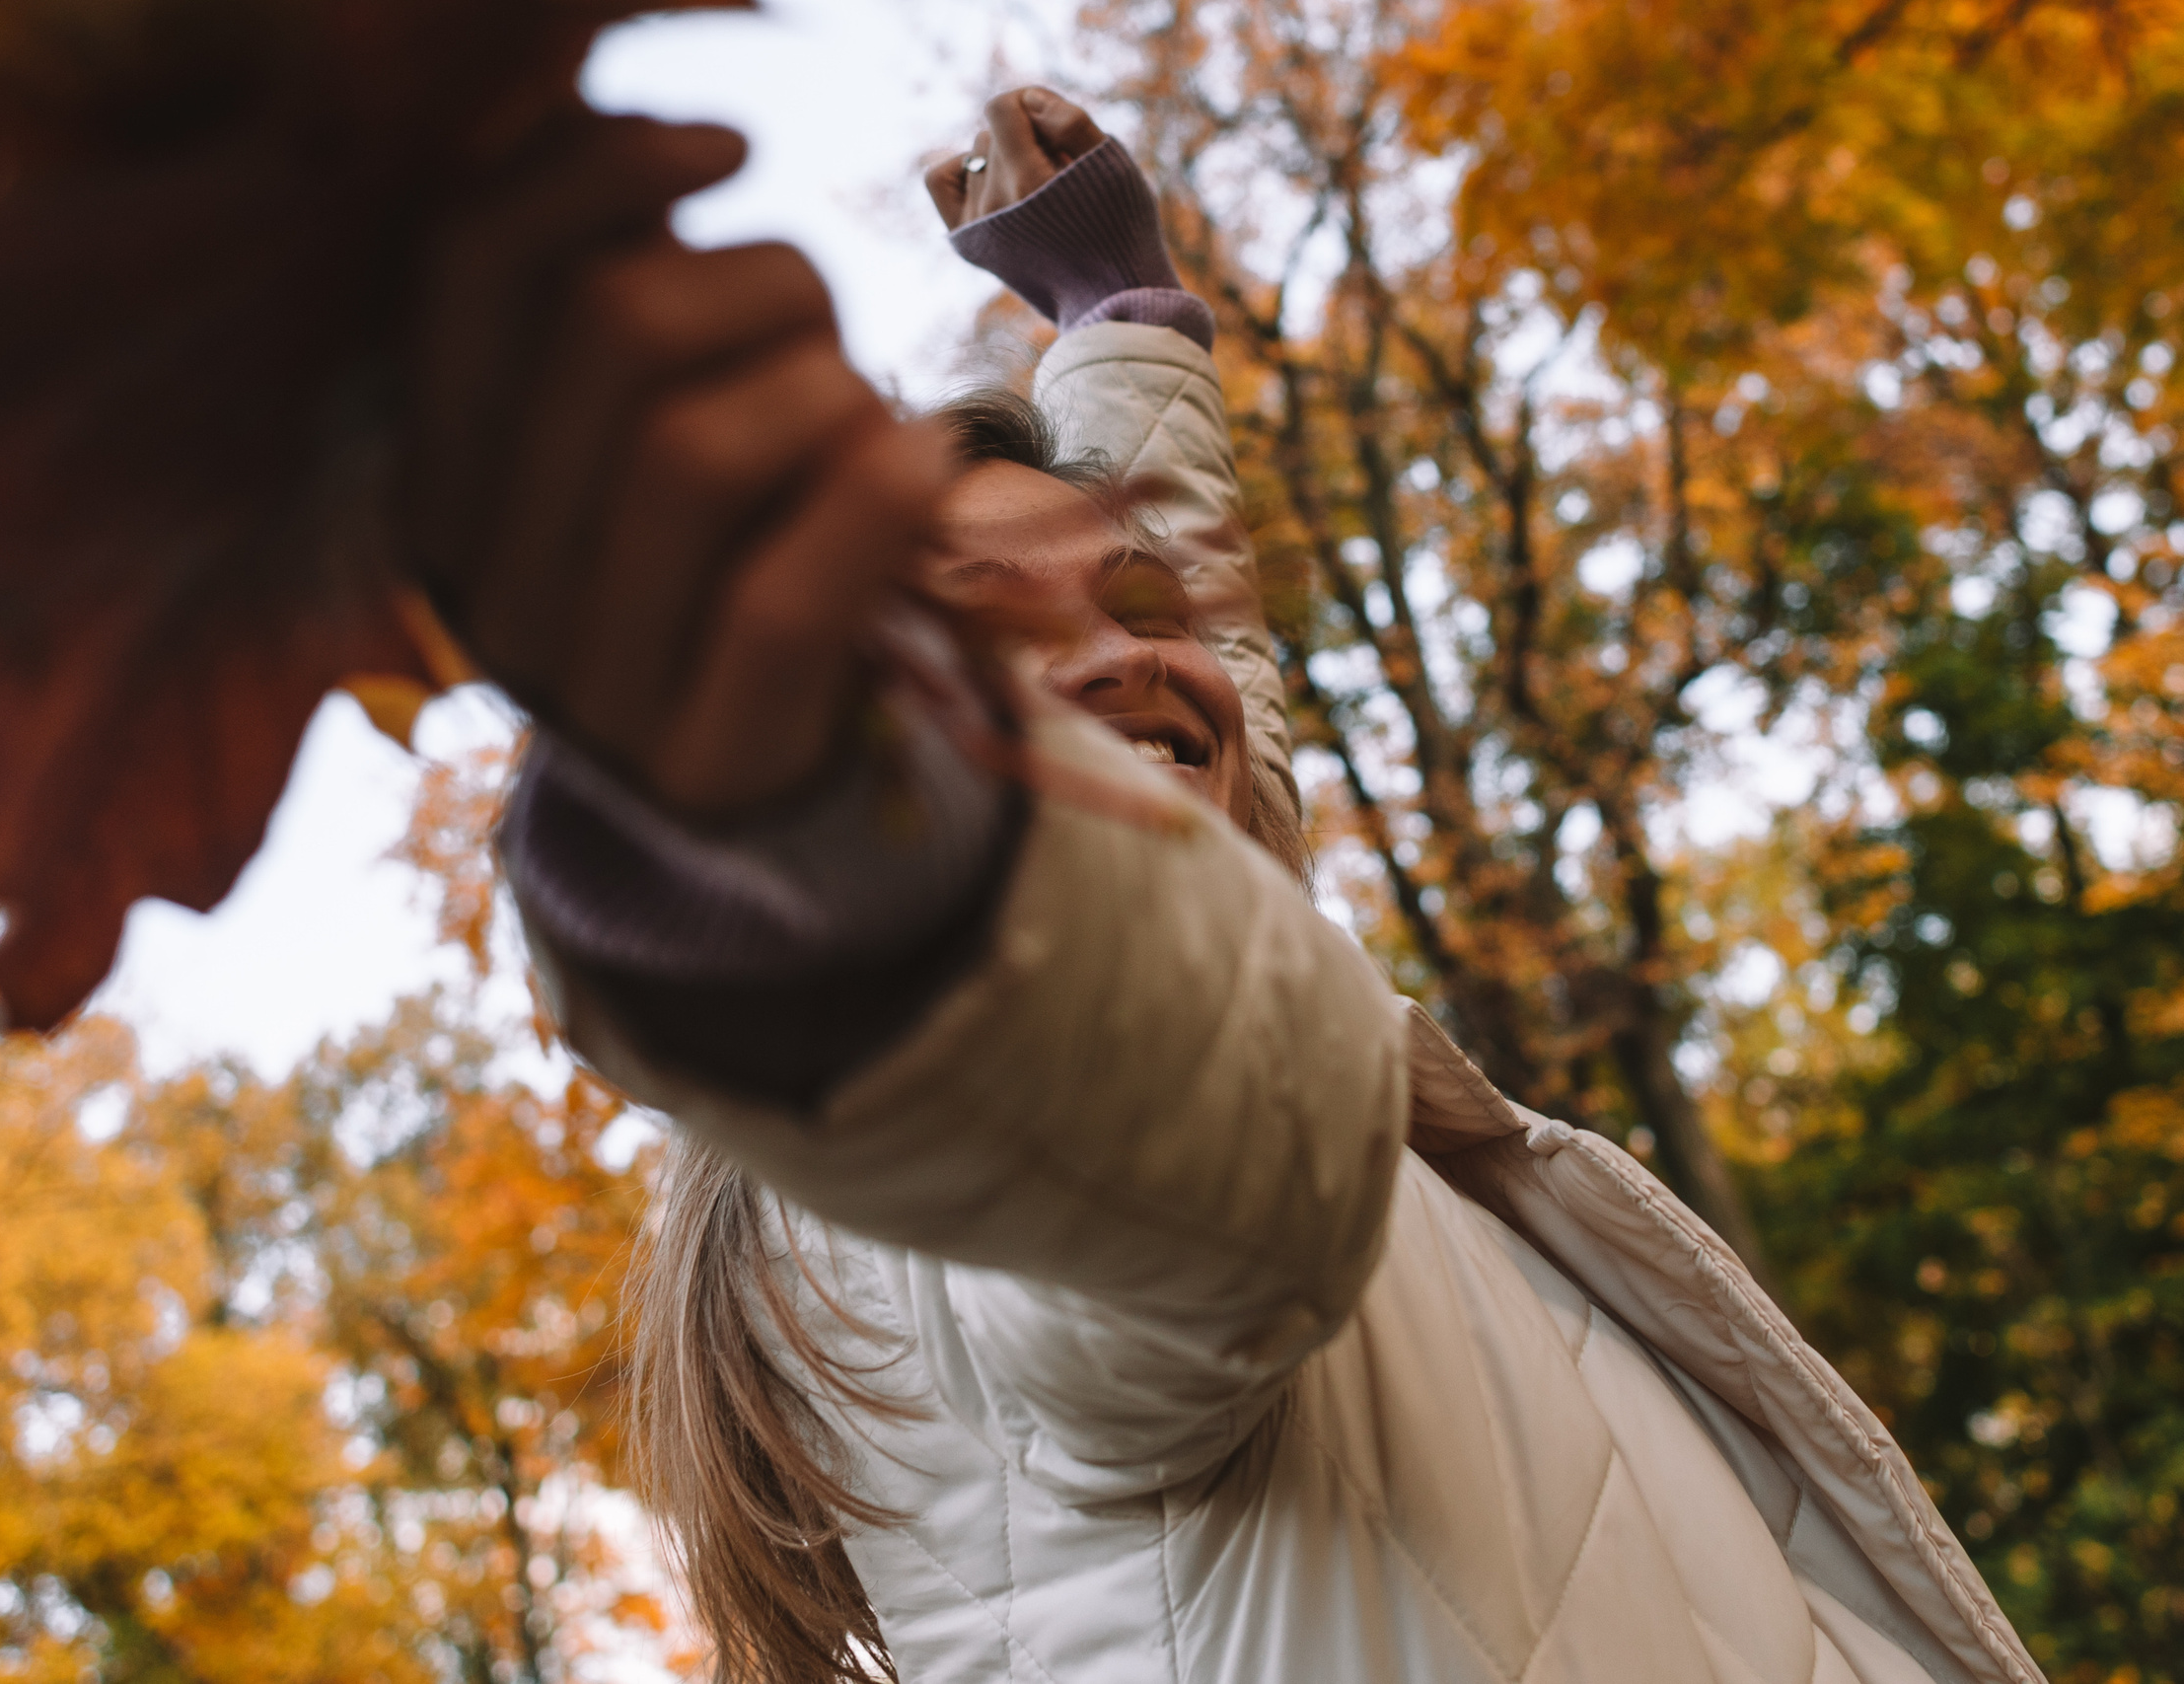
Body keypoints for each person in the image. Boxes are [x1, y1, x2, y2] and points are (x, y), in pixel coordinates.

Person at [489, 88, 2045, 1684]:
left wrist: (1120, 323)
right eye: (984, 644)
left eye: (1139, 604)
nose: (1121, 660)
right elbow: (1164, 1123)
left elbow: (1195, 733)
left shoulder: (1186, 978)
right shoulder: (990, 1157)